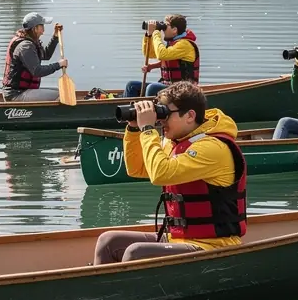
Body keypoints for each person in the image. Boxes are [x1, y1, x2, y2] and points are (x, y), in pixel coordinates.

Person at [93, 82, 246, 264]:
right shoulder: (175, 143)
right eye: (160, 113)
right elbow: (137, 169)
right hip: (178, 240)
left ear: (190, 115)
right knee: (108, 241)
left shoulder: (213, 148)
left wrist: (148, 129)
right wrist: (134, 129)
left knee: (136, 252)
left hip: (213, 246)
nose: (160, 120)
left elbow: (160, 174)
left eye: (165, 114)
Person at [124, 15, 199, 97]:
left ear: (174, 30)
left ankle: (148, 108)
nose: (163, 29)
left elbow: (161, 55)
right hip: (168, 85)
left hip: (184, 89)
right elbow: (149, 53)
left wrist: (156, 32)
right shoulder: (173, 43)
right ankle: (125, 108)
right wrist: (148, 35)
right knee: (131, 86)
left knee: (152, 88)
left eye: (165, 26)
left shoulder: (185, 44)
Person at [1, 12, 66, 101]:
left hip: (24, 91)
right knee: (62, 95)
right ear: (35, 28)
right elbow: (37, 71)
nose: (43, 31)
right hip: (16, 94)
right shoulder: (26, 46)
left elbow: (46, 55)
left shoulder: (31, 42)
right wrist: (58, 65)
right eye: (42, 27)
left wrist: (55, 36)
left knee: (62, 91)